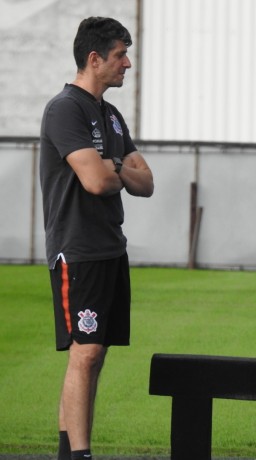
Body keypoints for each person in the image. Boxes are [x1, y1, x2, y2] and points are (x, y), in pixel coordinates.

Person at [39, 17, 154, 460]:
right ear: (94, 59)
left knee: (95, 355)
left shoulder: (111, 114)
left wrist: (114, 166)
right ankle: (80, 455)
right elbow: (95, 181)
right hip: (78, 250)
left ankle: (70, 452)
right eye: (121, 55)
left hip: (110, 247)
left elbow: (146, 182)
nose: (128, 64)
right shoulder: (65, 108)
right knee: (84, 354)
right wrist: (116, 169)